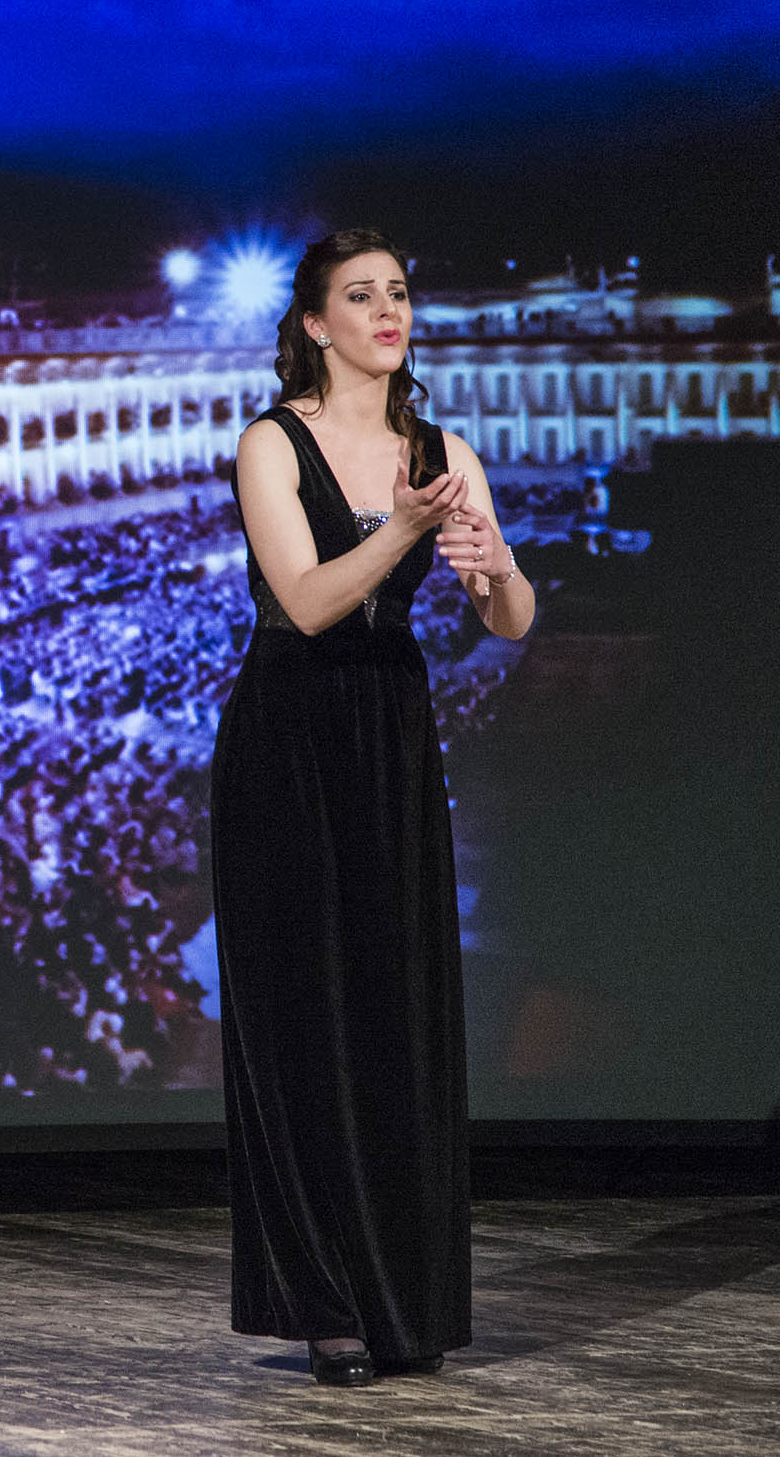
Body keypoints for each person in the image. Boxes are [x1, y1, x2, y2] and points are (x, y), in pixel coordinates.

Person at [213, 228, 534, 1386]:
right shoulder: (270, 442)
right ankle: (326, 1302)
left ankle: (405, 1297)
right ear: (314, 324)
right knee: (304, 1021)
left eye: (397, 291)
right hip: (287, 738)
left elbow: (509, 620)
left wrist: (492, 561)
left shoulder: (443, 450)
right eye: (360, 296)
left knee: (397, 1013)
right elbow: (304, 605)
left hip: (389, 733)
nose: (388, 311)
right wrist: (400, 529)